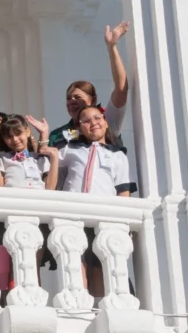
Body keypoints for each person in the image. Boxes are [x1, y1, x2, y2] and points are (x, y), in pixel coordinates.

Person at [59, 104, 133, 297]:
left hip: (103, 216)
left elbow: (123, 191)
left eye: (97, 118)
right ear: (79, 127)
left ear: (106, 123)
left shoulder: (117, 155)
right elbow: (50, 171)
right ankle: (79, 305)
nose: (93, 123)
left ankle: (100, 306)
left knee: (99, 263)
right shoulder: (69, 151)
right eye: (86, 120)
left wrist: (124, 222)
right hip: (73, 216)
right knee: (75, 261)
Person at [50, 22, 130, 147]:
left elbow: (121, 89)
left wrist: (112, 47)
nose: (71, 102)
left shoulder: (105, 121)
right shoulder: (58, 135)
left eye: (78, 97)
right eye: (68, 99)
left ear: (93, 99)